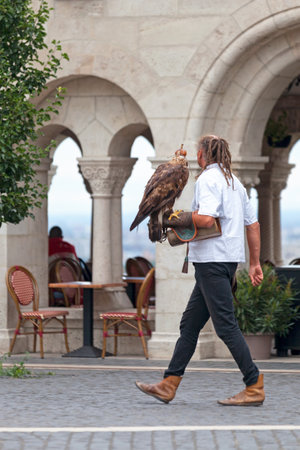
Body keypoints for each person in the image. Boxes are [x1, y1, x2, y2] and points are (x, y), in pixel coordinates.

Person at [135, 135, 265, 406]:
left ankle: (253, 385)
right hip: (225, 262)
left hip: (211, 263)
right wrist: (254, 263)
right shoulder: (234, 182)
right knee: (190, 324)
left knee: (226, 327)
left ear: (202, 155)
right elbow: (252, 225)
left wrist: (175, 217)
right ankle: (168, 384)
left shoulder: (207, 179)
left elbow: (206, 219)